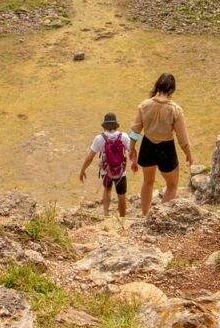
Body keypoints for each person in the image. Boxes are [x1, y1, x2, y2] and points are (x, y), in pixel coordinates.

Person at [129, 73, 193, 216]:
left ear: (157, 86)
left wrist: (131, 148)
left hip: (147, 146)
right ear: (172, 90)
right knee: (172, 186)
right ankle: (160, 217)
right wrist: (189, 155)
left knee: (147, 182)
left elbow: (135, 131)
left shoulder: (144, 105)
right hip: (166, 148)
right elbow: (183, 139)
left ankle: (145, 215)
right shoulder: (175, 110)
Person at [79, 112, 133, 223]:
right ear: (116, 125)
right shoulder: (124, 136)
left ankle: (106, 215)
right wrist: (135, 163)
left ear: (105, 125)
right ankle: (122, 219)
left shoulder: (100, 138)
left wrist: (83, 170)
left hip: (106, 172)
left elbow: (90, 157)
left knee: (107, 190)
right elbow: (132, 152)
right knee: (121, 195)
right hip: (121, 172)